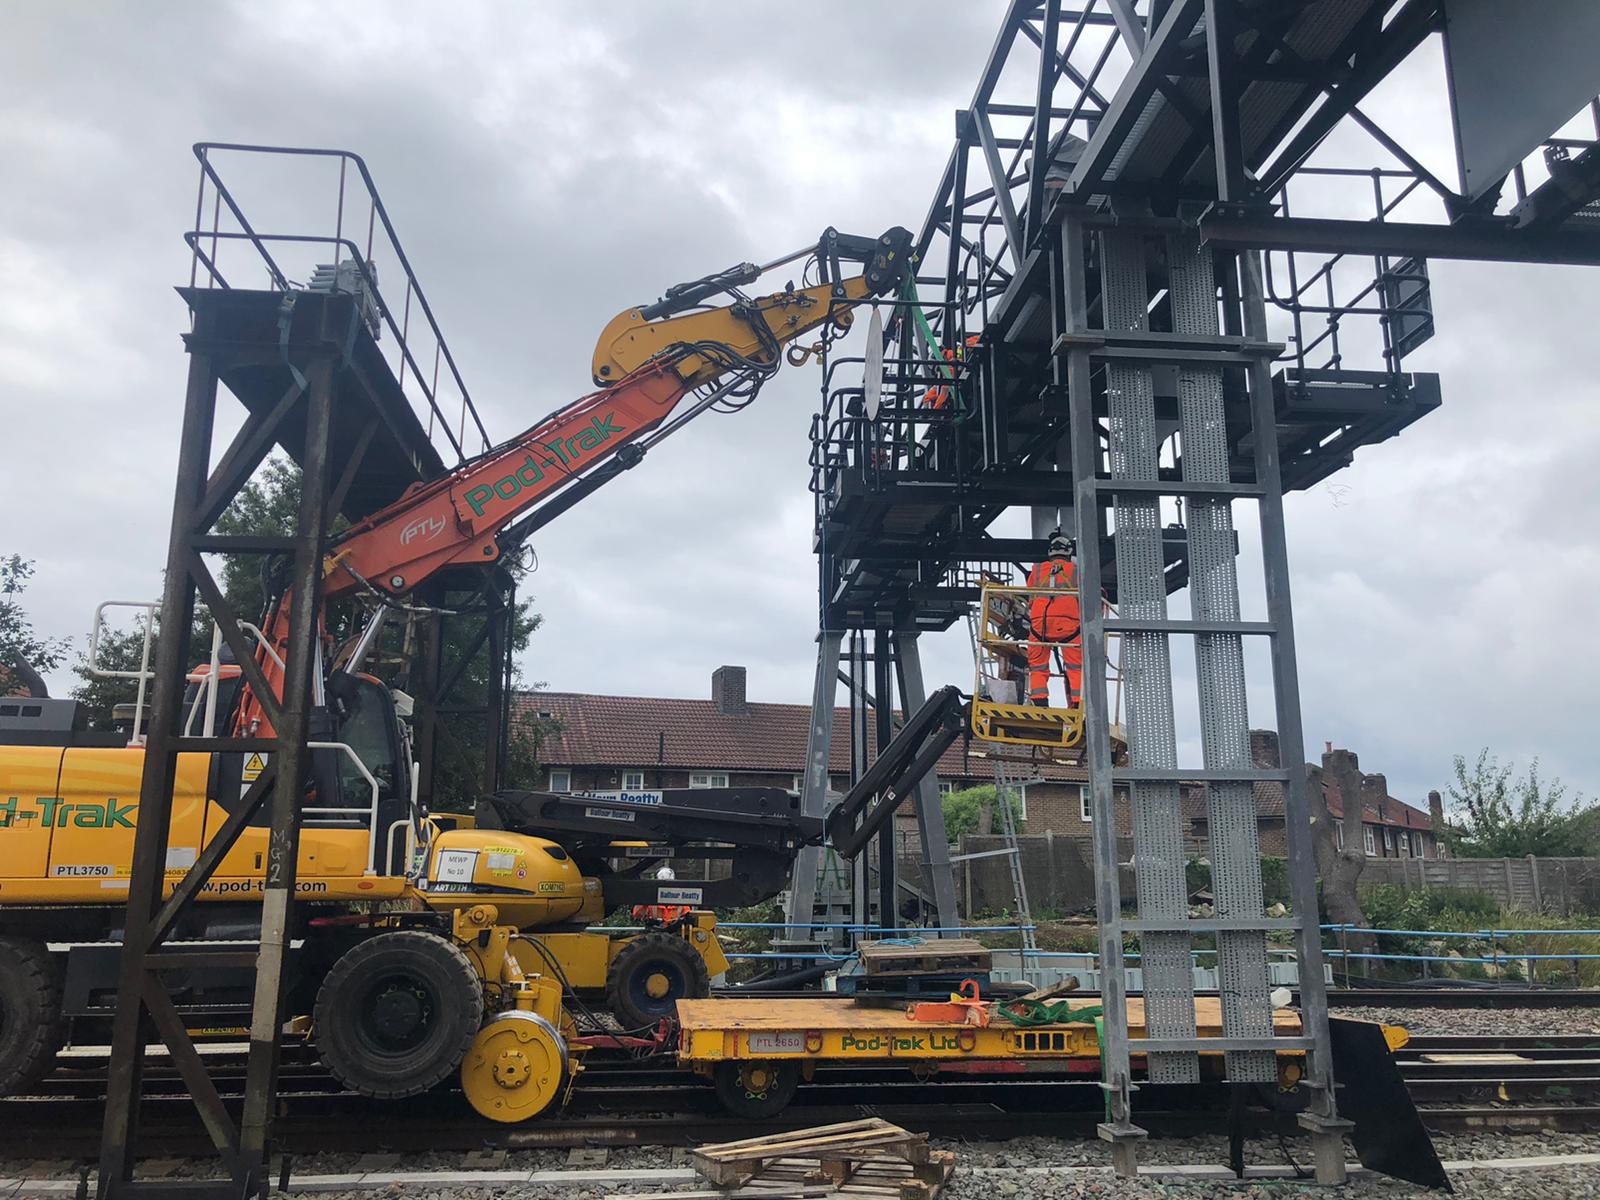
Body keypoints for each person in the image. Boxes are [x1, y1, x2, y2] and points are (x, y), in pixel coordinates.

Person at [1026, 528, 1082, 707]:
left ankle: (1040, 700)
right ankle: (1077, 703)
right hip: (1069, 627)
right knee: (1075, 666)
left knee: (1037, 665)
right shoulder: (1076, 570)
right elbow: (1089, 597)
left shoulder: (1037, 569)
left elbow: (1030, 598)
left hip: (1039, 626)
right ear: (1068, 552)